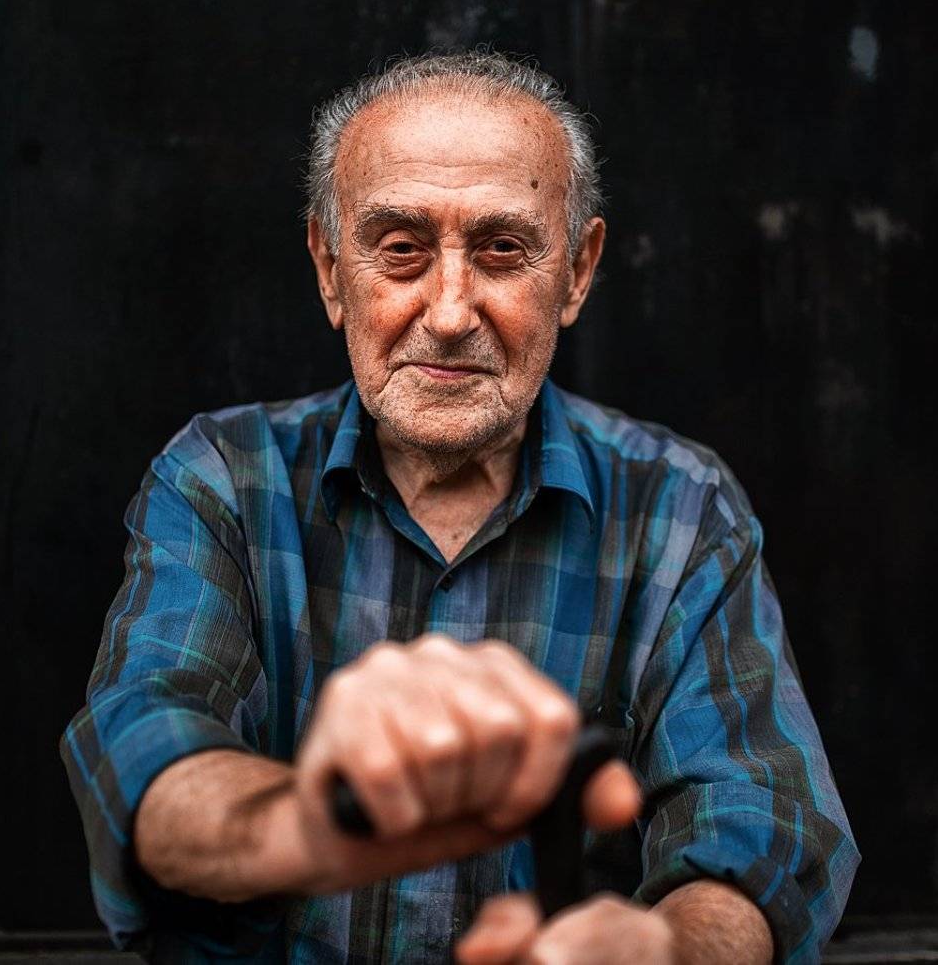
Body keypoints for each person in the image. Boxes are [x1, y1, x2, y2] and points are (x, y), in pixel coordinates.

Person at [60, 50, 858, 964]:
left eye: (502, 250)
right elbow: (145, 748)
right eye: (400, 248)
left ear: (578, 272)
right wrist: (304, 823)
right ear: (330, 269)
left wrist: (669, 951)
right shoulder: (226, 478)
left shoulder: (679, 507)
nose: (447, 313)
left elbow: (763, 823)